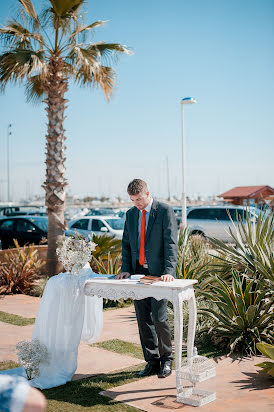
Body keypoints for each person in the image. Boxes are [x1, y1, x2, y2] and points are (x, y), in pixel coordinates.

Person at [116, 179, 178, 378]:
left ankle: (167, 360)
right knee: (143, 319)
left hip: (159, 275)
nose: (137, 203)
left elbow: (171, 244)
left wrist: (169, 270)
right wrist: (125, 269)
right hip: (137, 275)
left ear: (147, 193)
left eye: (139, 199)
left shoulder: (165, 211)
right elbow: (126, 244)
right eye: (133, 200)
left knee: (159, 318)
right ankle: (151, 362)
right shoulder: (130, 214)